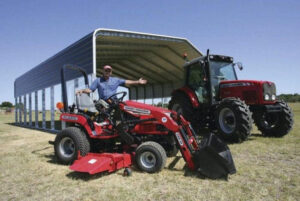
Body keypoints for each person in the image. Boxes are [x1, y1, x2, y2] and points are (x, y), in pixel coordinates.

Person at [77, 65, 147, 100]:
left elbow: (127, 81)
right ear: (103, 71)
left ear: (111, 72)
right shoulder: (98, 80)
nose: (107, 72)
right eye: (106, 70)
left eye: (109, 71)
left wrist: (137, 81)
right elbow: (90, 90)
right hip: (103, 103)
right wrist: (82, 90)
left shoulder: (115, 80)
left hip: (114, 102)